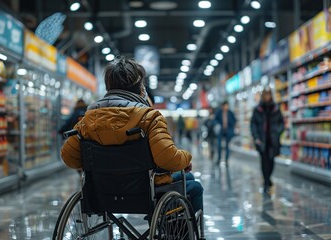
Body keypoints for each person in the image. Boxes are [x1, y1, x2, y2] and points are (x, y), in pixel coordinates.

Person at [61, 56, 203, 212]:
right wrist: (186, 157)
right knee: (193, 185)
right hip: (144, 192)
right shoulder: (149, 118)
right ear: (139, 87)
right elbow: (168, 159)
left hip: (102, 192)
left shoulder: (87, 120)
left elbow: (69, 158)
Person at [251, 88, 284, 194]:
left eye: (268, 95)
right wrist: (256, 137)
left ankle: (268, 178)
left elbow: (281, 123)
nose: (267, 97)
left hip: (273, 140)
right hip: (262, 140)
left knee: (271, 161)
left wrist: (277, 132)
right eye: (265, 95)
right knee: (264, 161)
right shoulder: (258, 109)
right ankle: (266, 181)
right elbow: (253, 124)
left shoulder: (276, 108)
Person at [214, 101, 236, 166]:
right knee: (219, 146)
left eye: (227, 105)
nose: (226, 107)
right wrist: (217, 124)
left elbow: (234, 121)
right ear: (222, 106)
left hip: (228, 132)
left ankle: (226, 160)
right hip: (220, 131)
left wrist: (231, 127)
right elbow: (214, 120)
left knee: (227, 147)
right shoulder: (218, 112)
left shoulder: (230, 113)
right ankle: (219, 159)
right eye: (225, 106)